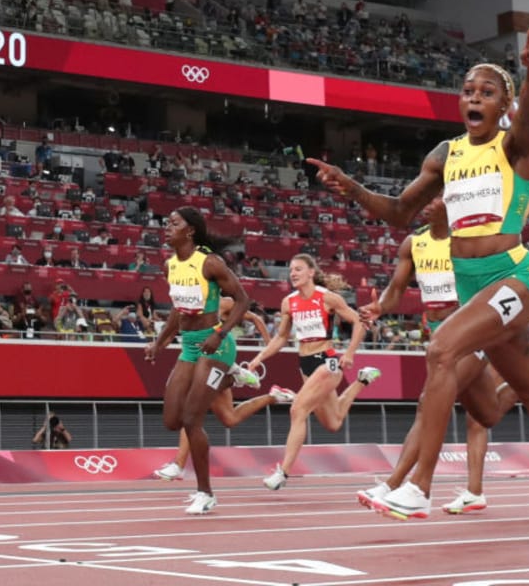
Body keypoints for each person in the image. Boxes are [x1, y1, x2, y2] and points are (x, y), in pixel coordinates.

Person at [309, 28, 529, 518]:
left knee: (441, 350)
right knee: (504, 403)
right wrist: (350, 187)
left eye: (487, 92)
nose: (474, 98)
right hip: (472, 286)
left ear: (504, 105)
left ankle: (418, 489)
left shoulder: (516, 146)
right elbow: (397, 212)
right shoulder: (445, 155)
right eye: (468, 91)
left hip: (515, 276)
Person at [356, 198, 529, 515]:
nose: (426, 204)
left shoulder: (471, 243)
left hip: (472, 329)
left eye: (434, 197)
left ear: (452, 201)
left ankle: (393, 484)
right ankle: (474, 491)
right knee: (483, 416)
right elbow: (395, 290)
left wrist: (525, 313)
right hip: (438, 333)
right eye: (425, 198)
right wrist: (380, 306)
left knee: (427, 402)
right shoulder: (413, 243)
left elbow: (508, 274)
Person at [143, 207, 255, 515]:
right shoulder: (170, 267)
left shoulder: (210, 263)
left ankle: (205, 493)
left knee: (193, 419)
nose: (167, 228)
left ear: (190, 230)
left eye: (174, 223)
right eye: (167, 222)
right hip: (190, 346)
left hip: (216, 345)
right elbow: (179, 310)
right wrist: (160, 342)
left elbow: (244, 300)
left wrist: (219, 333)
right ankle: (233, 376)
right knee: (171, 421)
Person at [245, 254, 381, 490]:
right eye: (290, 270)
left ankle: (282, 472)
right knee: (333, 422)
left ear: (311, 272)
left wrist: (349, 353)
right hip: (305, 363)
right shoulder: (288, 302)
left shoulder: (328, 298)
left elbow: (360, 322)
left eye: (298, 269)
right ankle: (362, 380)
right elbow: (281, 337)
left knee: (298, 409)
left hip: (327, 361)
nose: (293, 274)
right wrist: (258, 358)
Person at [153, 297, 296, 481]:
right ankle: (272, 396)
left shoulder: (223, 302)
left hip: (217, 357)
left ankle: (178, 465)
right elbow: (171, 332)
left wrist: (267, 349)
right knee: (230, 419)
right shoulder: (185, 304)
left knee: (191, 412)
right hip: (195, 359)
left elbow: (256, 319)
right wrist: (157, 347)